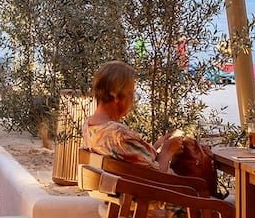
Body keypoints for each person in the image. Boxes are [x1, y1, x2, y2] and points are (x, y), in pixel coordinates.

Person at [80, 60, 213, 180]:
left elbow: (136, 165)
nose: (133, 99)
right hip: (150, 198)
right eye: (131, 93)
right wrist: (167, 151)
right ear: (116, 97)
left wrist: (155, 147)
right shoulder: (118, 135)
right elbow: (156, 177)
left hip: (123, 194)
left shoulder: (90, 127)